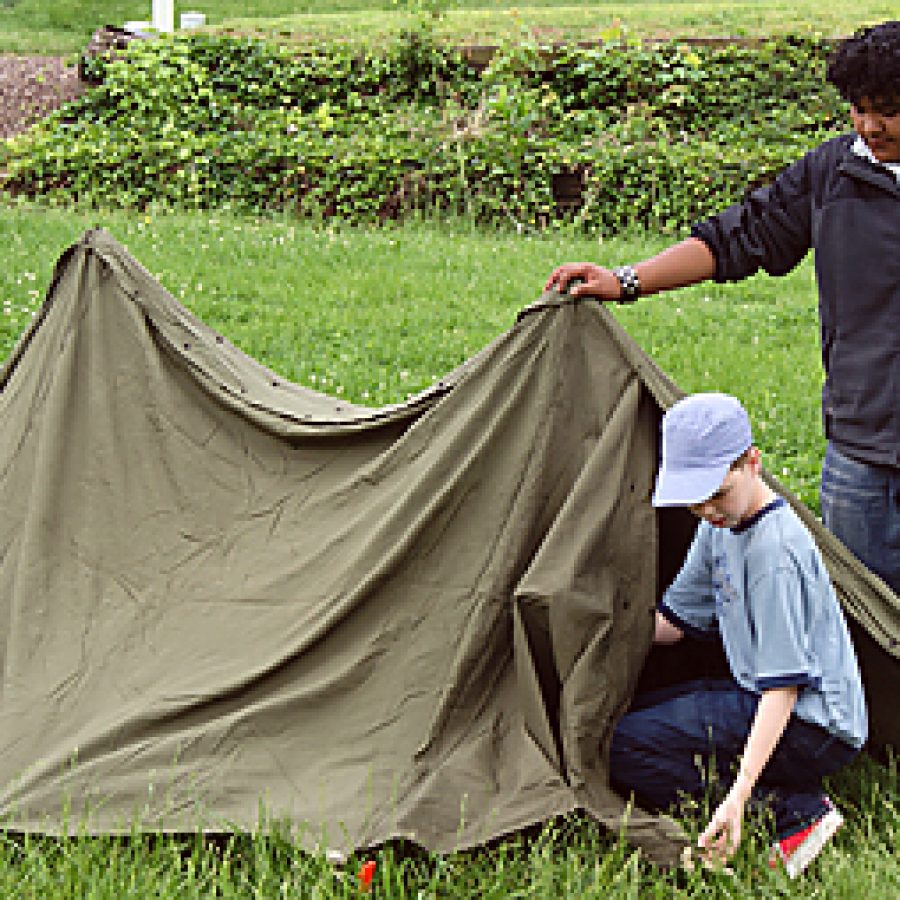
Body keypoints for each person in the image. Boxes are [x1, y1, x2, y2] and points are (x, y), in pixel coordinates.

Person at [545, 21, 899, 594]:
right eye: (858, 109)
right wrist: (626, 281)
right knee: (862, 626)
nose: (869, 126)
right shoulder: (834, 173)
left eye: (887, 111)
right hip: (861, 455)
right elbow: (739, 237)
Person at [609, 393, 867, 876]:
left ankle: (791, 813)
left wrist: (741, 792)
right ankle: (791, 802)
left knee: (624, 748)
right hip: (756, 694)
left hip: (812, 725)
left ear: (753, 463)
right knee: (623, 723)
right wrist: (596, 630)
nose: (707, 509)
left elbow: (783, 689)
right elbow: (672, 626)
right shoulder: (719, 525)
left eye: (718, 492)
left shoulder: (774, 554)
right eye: (695, 498)